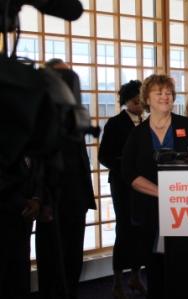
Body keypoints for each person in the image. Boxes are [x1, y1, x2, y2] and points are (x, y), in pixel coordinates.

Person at [121, 74, 188, 299]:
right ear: (147, 99)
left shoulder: (187, 125)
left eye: (168, 93)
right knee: (155, 266)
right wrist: (162, 192)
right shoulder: (138, 133)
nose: (165, 96)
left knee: (185, 266)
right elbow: (128, 172)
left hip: (186, 209)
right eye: (159, 93)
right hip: (149, 209)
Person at [35, 59, 96, 299]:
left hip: (76, 195)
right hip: (50, 196)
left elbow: (81, 159)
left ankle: (71, 292)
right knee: (52, 254)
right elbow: (37, 162)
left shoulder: (75, 113)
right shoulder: (40, 114)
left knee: (73, 253)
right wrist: (41, 198)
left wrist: (86, 197)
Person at [98, 80, 146, 299]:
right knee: (124, 229)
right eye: (135, 99)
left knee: (141, 230)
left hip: (144, 185)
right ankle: (117, 281)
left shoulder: (149, 121)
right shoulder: (115, 123)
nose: (139, 103)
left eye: (141, 99)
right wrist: (126, 168)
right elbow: (103, 156)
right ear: (126, 100)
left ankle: (136, 277)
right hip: (122, 184)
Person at [0, 156, 41, 299]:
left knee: (22, 267)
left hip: (25, 218)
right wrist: (25, 204)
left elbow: (37, 175)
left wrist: (36, 199)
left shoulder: (31, 145)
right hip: (6, 215)